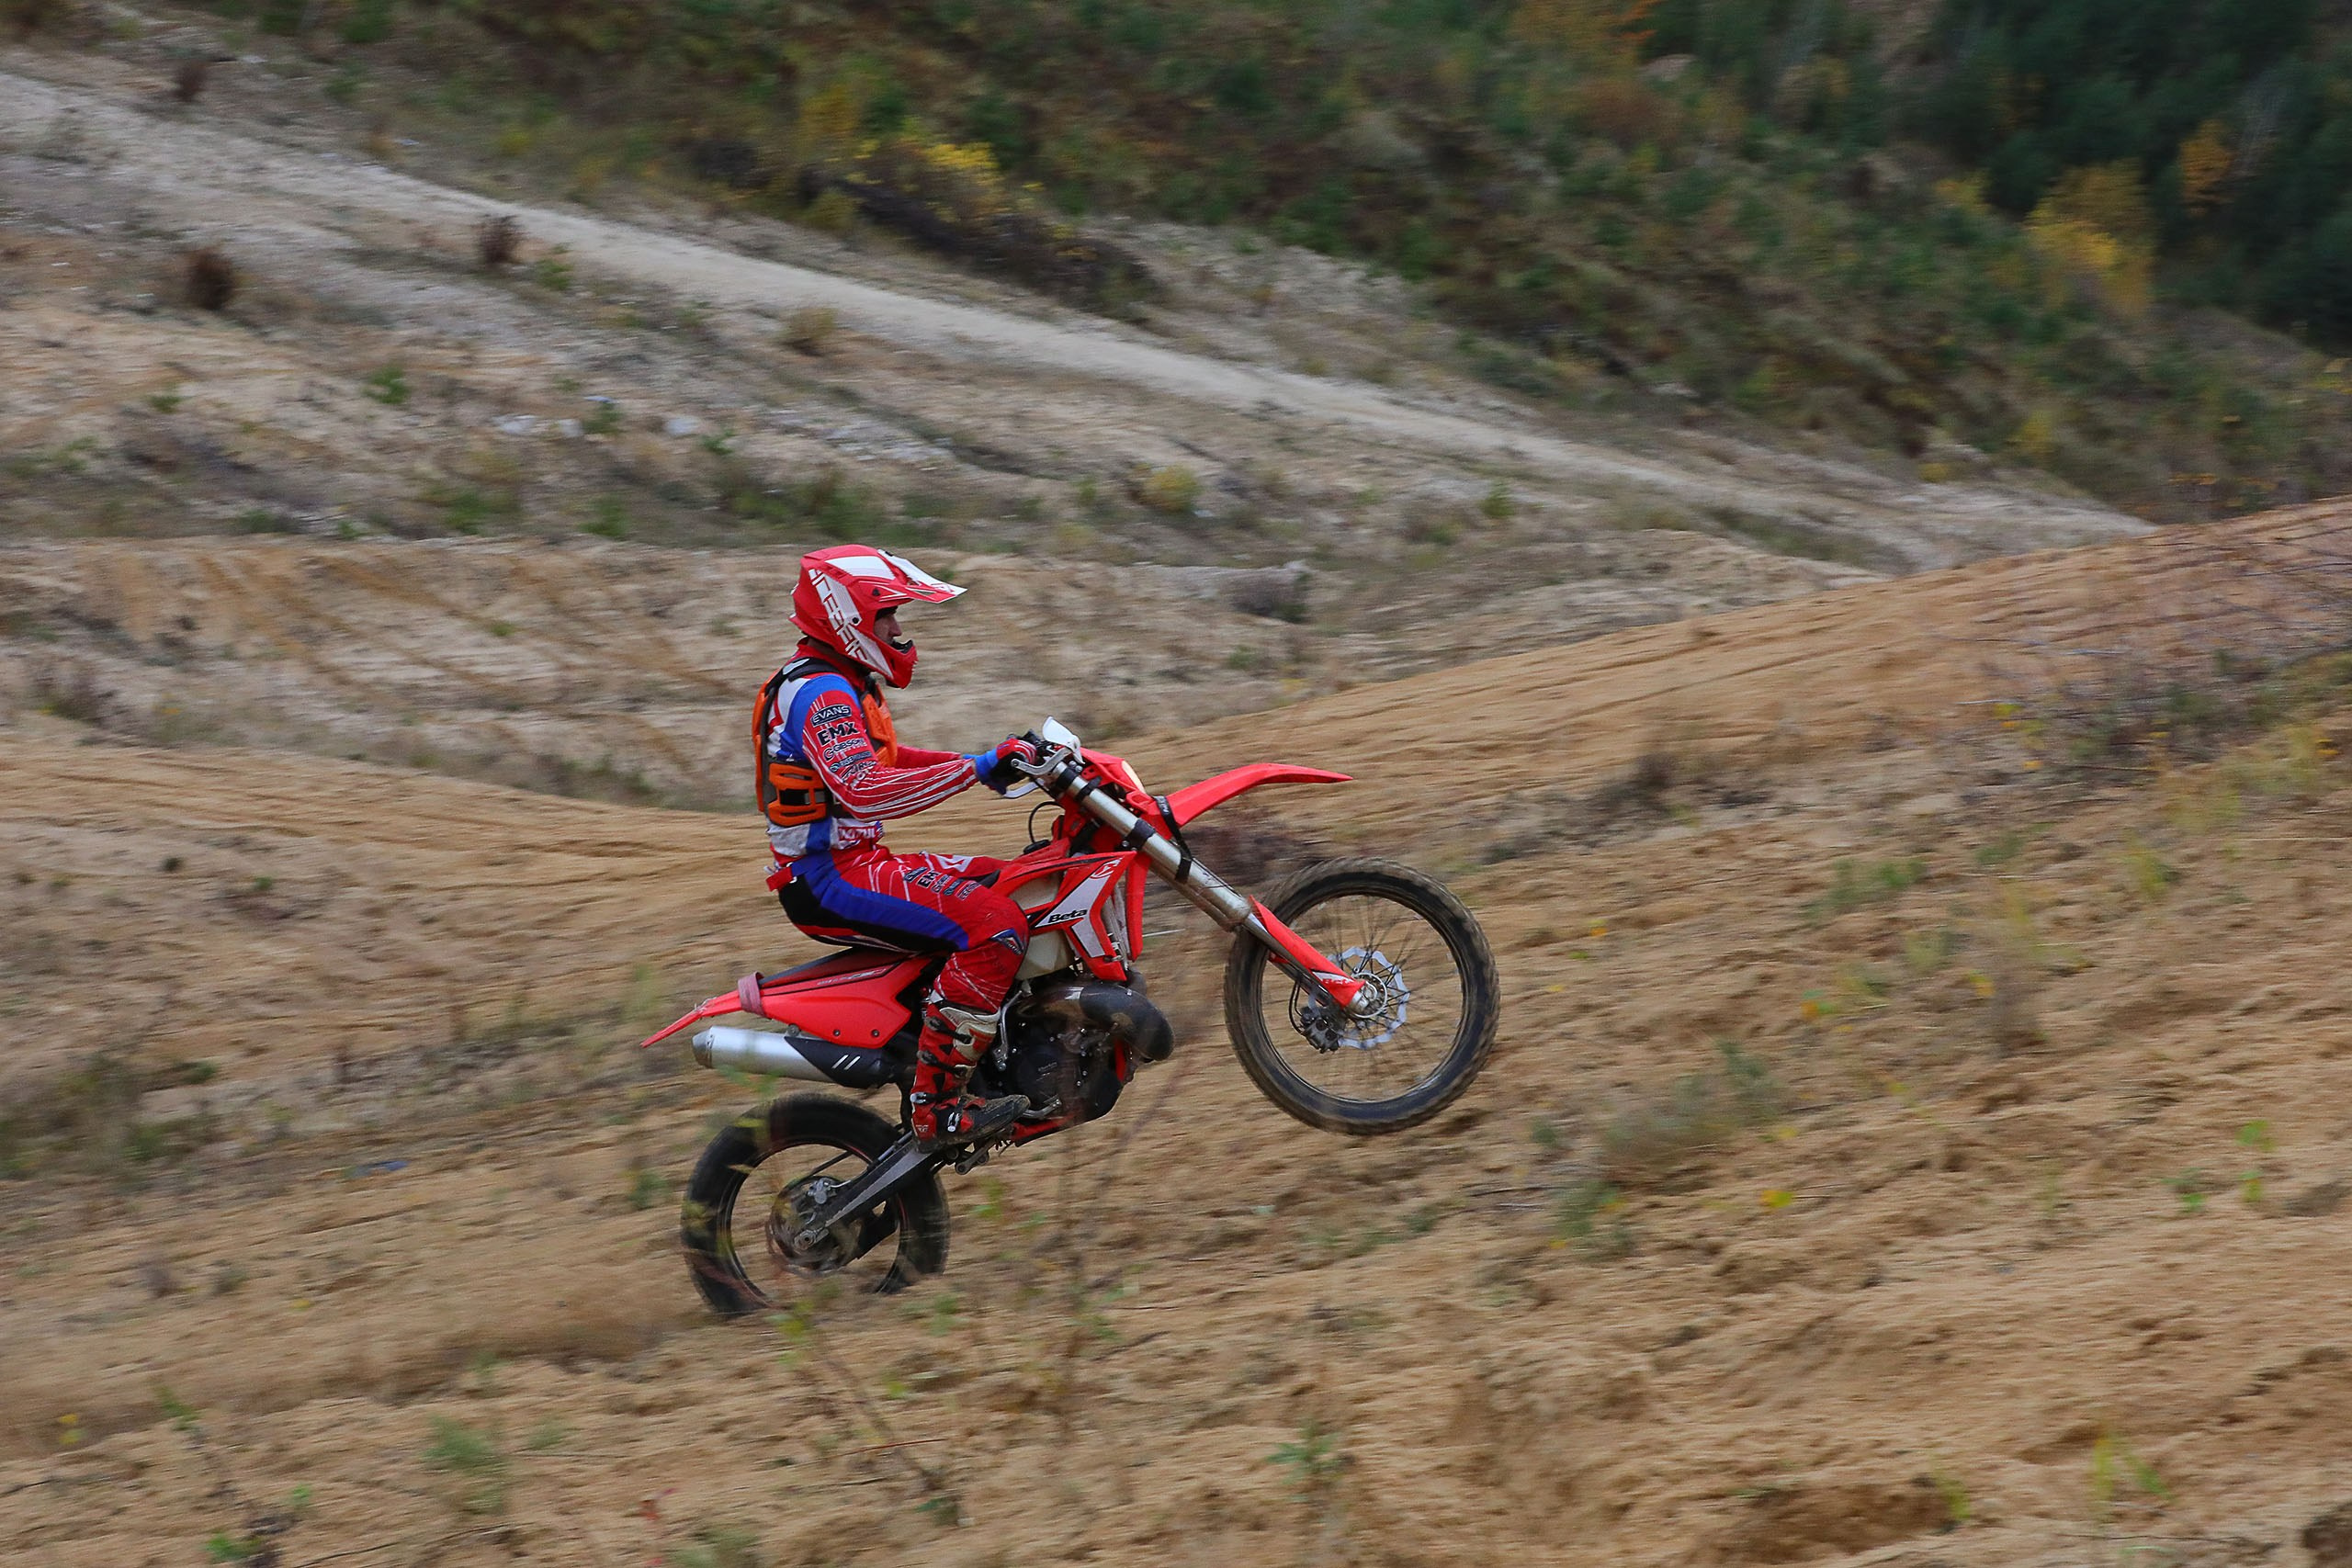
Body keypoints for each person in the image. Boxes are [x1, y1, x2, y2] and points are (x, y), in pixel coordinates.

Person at [754, 545, 1037, 1145]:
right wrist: (975, 768)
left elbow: (886, 759)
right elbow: (865, 788)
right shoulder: (822, 694)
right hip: (828, 878)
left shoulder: (840, 684)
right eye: (889, 618)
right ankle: (936, 1107)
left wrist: (986, 764)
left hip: (853, 864)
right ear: (849, 618)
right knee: (996, 924)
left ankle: (991, 1044)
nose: (900, 631)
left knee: (1015, 879)